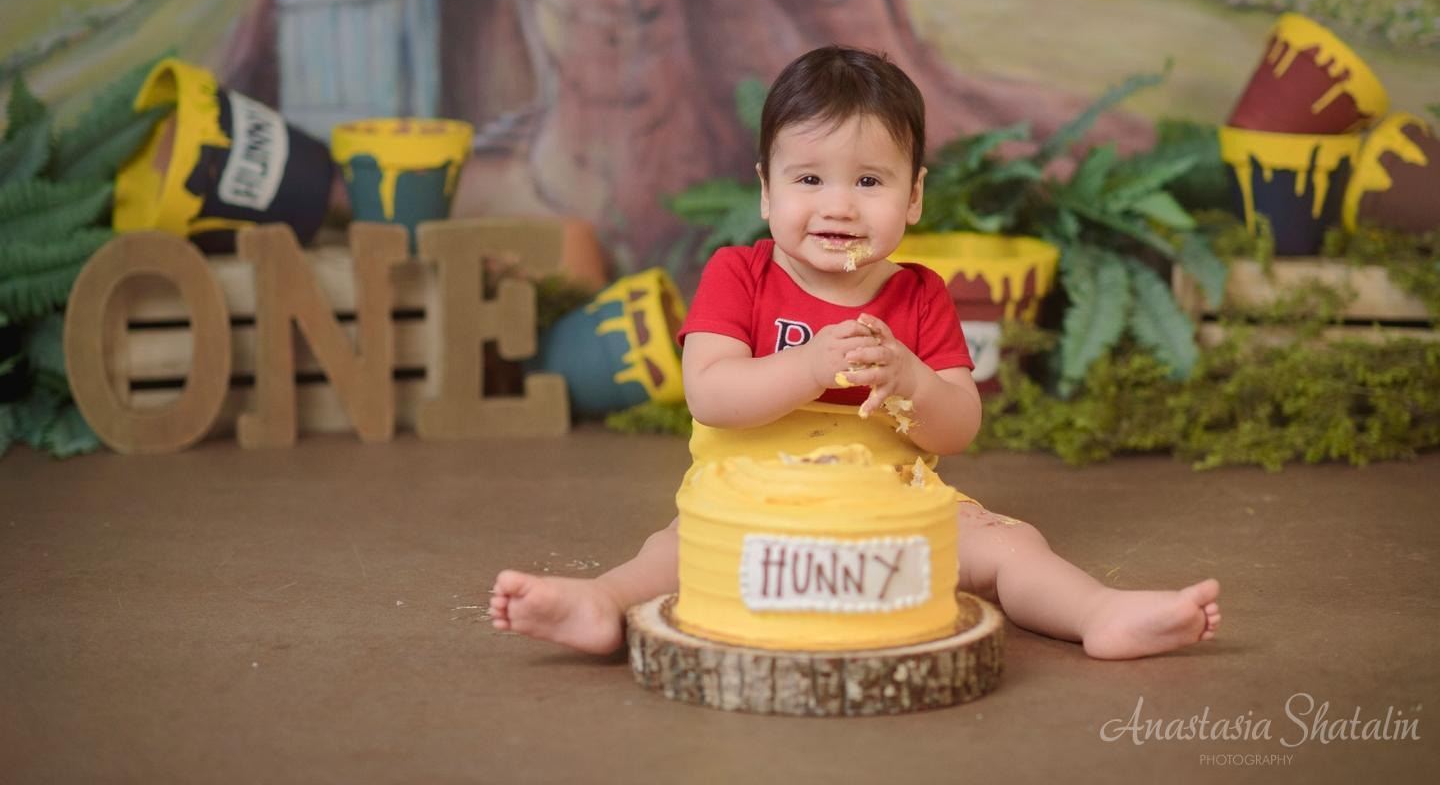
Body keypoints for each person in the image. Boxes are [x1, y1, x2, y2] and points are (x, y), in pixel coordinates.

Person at [489, 45, 1221, 659]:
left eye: (869, 181)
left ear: (913, 197)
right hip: (753, 493)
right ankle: (600, 602)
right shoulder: (737, 274)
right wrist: (810, 365)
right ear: (767, 192)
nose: (838, 205)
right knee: (671, 551)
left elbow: (959, 425)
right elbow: (711, 393)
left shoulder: (919, 296)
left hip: (890, 502)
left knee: (1012, 544)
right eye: (809, 179)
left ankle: (1098, 614)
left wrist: (911, 380)